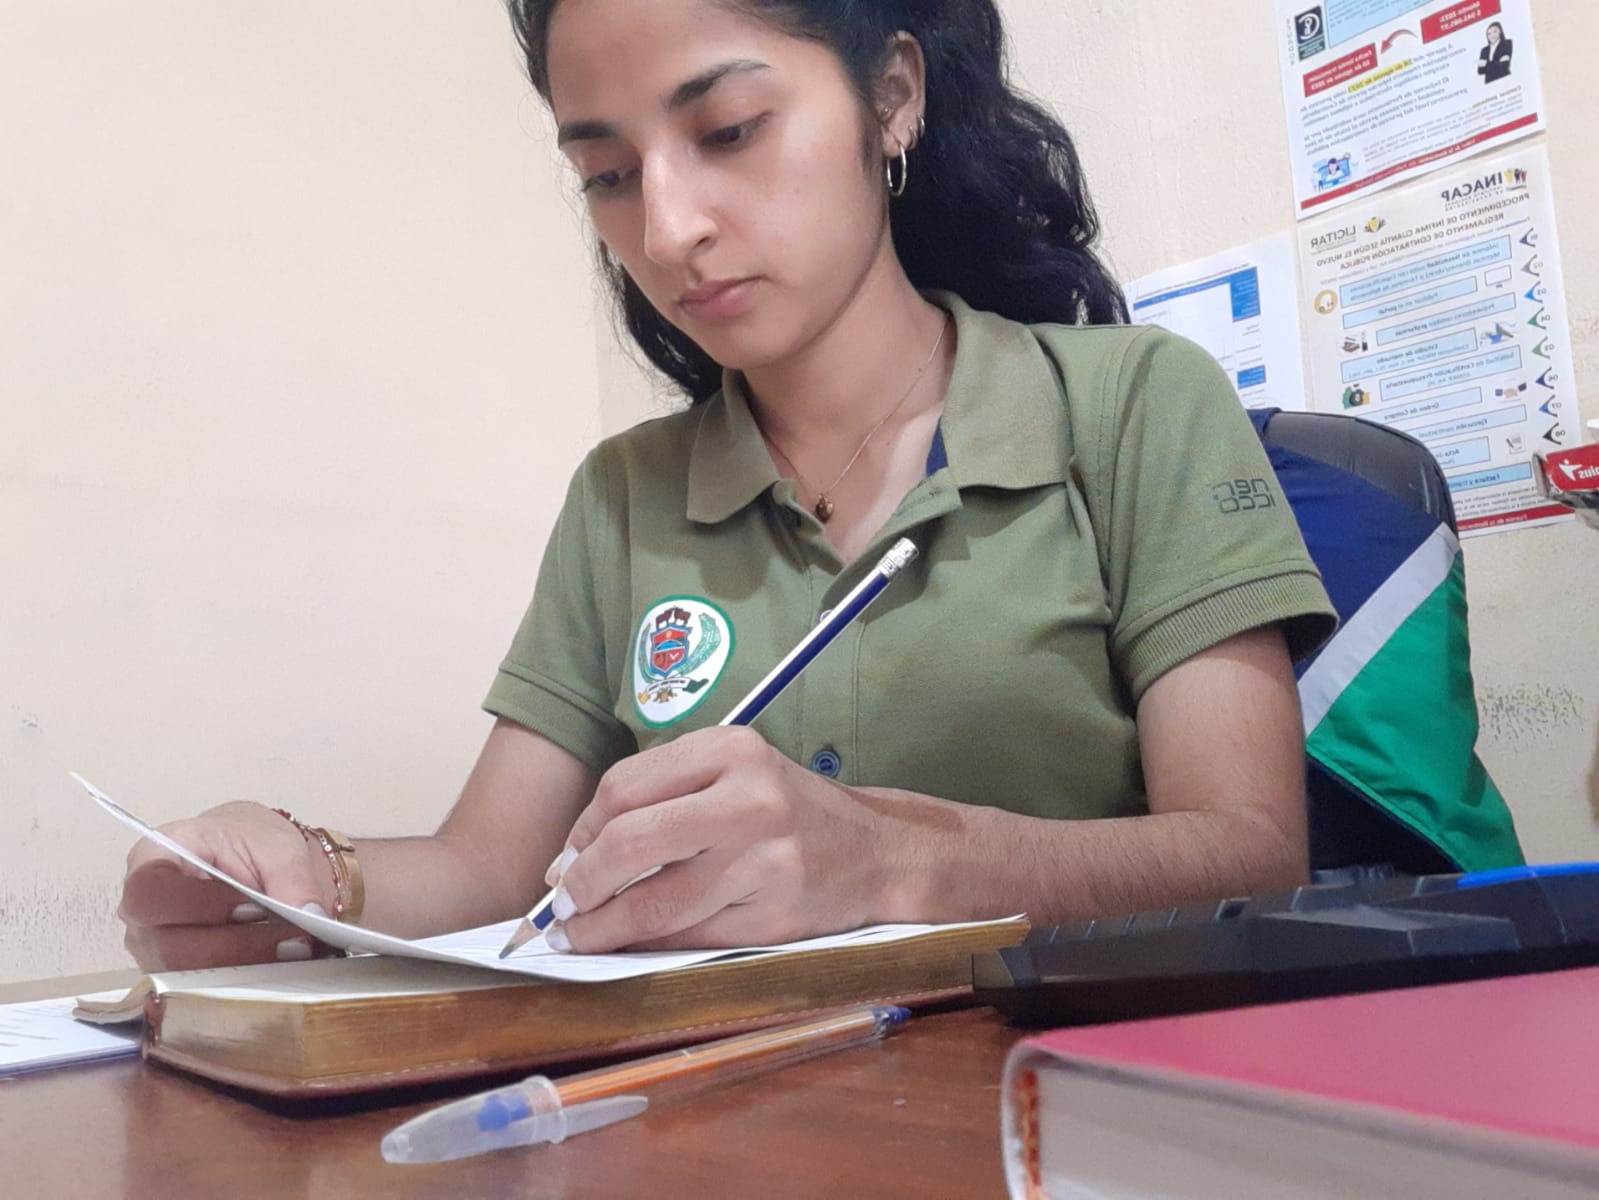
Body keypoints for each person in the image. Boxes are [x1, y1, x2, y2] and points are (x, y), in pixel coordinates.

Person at [117, 0, 1337, 972]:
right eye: (608, 174)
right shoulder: (625, 494)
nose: (666, 232)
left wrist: (892, 860)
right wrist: (305, 878)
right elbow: (489, 872)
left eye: (731, 130)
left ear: (891, 97)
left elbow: (1251, 854)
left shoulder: (1134, 405)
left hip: (1062, 1115)